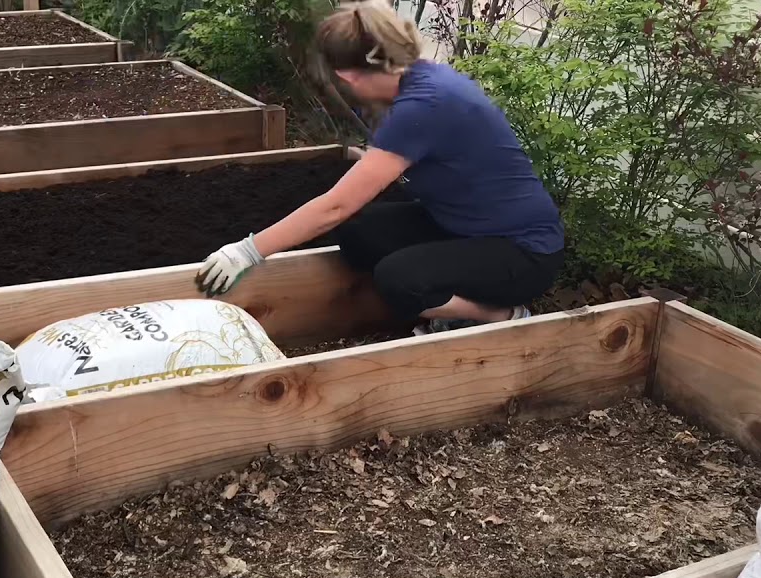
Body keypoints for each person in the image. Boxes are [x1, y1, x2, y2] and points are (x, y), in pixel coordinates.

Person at [195, 0, 564, 334]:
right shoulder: (420, 79)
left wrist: (248, 250)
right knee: (358, 234)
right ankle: (450, 291)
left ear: (350, 76)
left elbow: (335, 206)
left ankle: (500, 315)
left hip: (523, 253)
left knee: (398, 279)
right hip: (465, 226)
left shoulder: (425, 105)